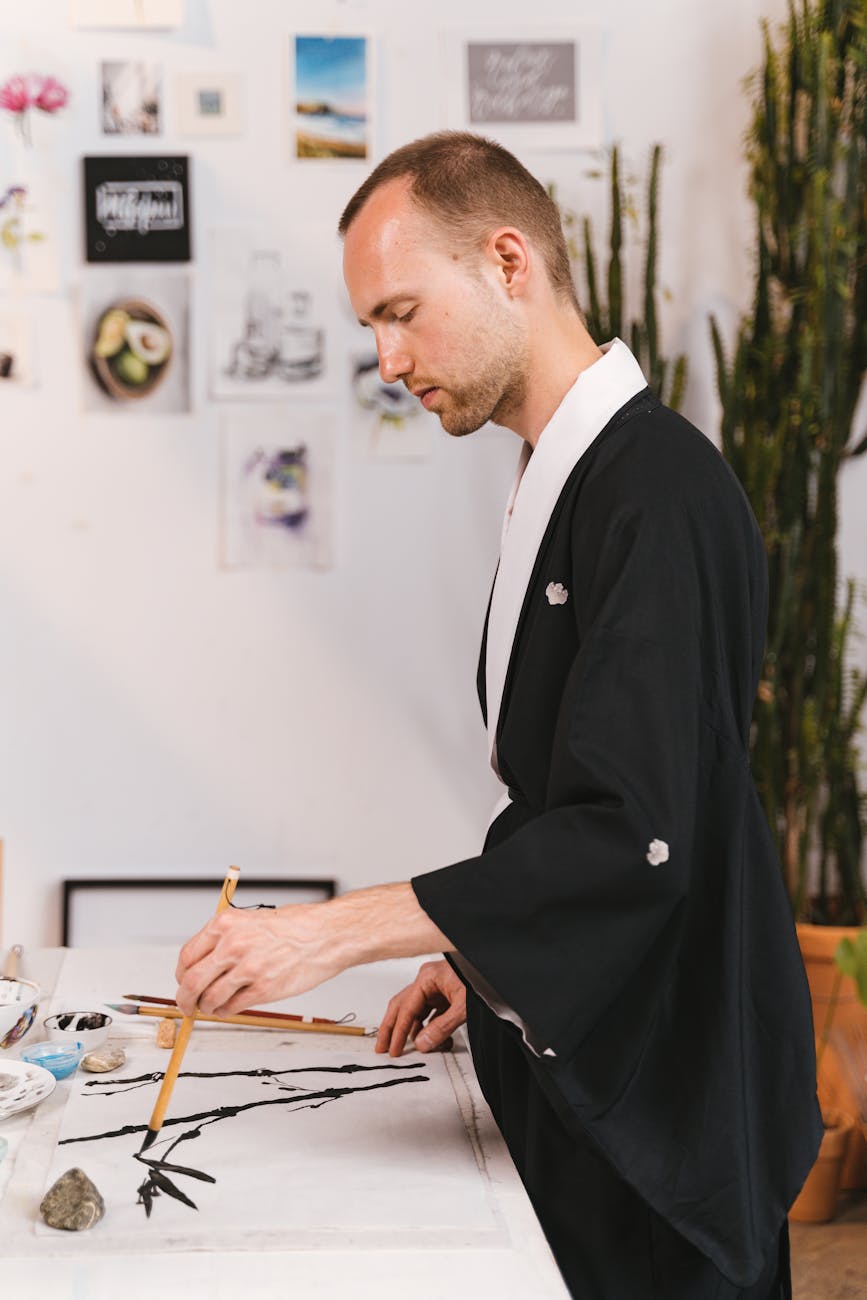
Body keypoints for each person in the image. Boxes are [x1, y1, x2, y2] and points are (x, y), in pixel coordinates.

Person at [175, 131, 822, 1298]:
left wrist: (331, 931)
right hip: (590, 1052)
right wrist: (482, 960)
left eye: (402, 312)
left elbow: (633, 835)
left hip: (663, 1098)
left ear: (508, 262)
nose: (387, 358)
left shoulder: (659, 493)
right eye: (373, 326)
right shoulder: (561, 476)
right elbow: (572, 791)